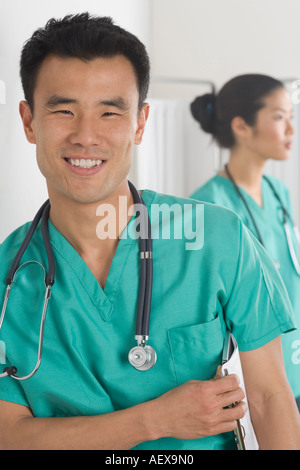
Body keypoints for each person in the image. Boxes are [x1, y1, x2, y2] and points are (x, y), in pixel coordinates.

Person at [0, 15, 299, 451]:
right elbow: (9, 434)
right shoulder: (7, 277)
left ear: (140, 123)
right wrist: (155, 420)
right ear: (28, 121)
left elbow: (272, 400)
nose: (86, 136)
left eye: (110, 111)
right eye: (64, 110)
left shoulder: (217, 239)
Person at [190, 74, 300, 409]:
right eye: (279, 118)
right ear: (241, 126)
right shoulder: (206, 206)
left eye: (291, 118)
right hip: (258, 374)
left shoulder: (278, 193)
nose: (291, 130)